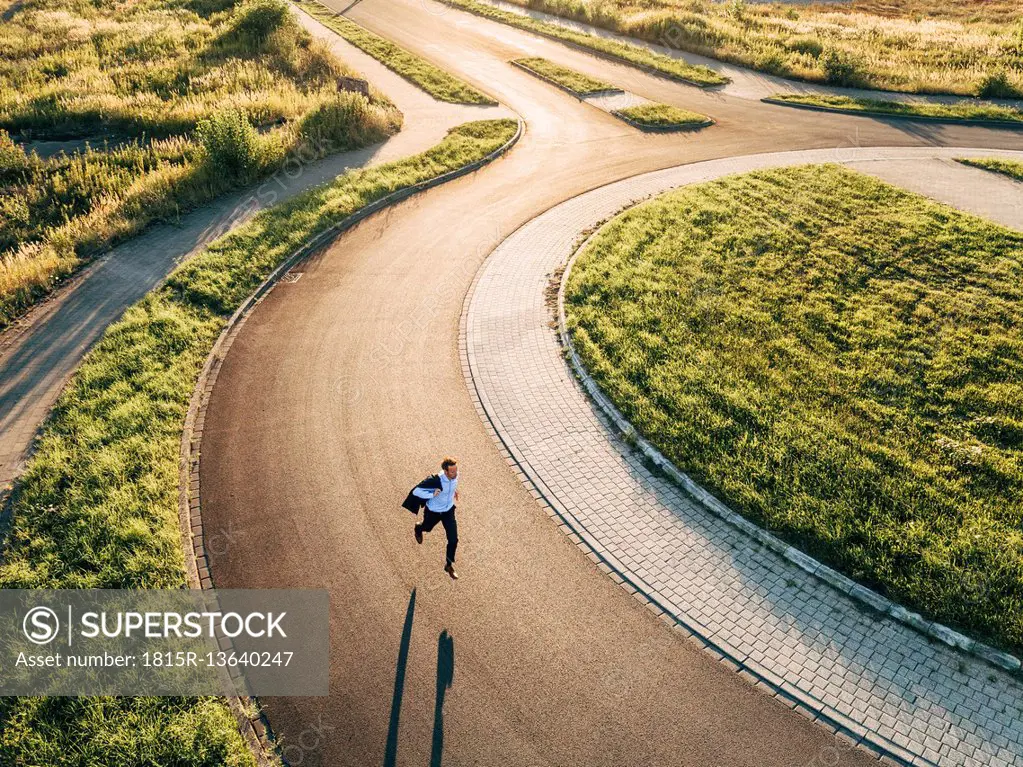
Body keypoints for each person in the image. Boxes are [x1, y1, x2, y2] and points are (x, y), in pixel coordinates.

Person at [411, 457, 460, 579]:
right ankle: (419, 528)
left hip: (448, 510)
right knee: (427, 528)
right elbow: (416, 491)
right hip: (434, 511)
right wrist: (431, 494)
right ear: (445, 471)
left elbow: (452, 484)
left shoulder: (456, 476)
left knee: (453, 540)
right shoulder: (435, 480)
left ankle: (448, 565)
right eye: (452, 472)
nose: (455, 474)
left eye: (456, 470)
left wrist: (454, 491)